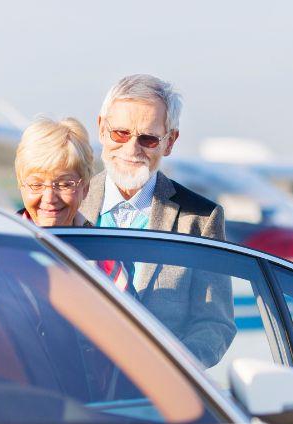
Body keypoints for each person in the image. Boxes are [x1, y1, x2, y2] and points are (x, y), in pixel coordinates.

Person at [79, 74, 236, 367]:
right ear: (101, 129)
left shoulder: (200, 219)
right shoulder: (70, 204)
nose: (132, 150)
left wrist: (172, 371)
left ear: (170, 142)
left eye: (148, 138)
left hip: (159, 400)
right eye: (120, 134)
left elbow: (215, 324)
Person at [15, 117, 94, 227]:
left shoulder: (101, 243)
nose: (49, 199)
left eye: (64, 185)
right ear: (21, 185)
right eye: (37, 185)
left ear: (85, 187)